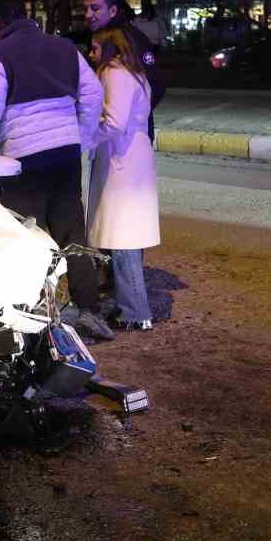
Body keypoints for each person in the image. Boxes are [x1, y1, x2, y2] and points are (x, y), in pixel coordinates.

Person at [0, 3, 114, 341]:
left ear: (0, 22)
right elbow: (93, 93)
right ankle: (89, 309)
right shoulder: (65, 48)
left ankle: (28, 313)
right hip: (64, 153)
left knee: (24, 234)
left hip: (23, 158)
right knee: (71, 231)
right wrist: (79, 136)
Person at [86, 28, 160, 331]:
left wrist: (86, 137)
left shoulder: (114, 73)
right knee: (124, 236)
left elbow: (114, 121)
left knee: (123, 238)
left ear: (108, 48)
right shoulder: (135, 73)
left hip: (122, 159)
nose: (91, 54)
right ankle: (128, 305)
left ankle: (134, 312)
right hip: (133, 157)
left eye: (94, 48)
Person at [83, 0, 165, 134]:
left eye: (95, 8)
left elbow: (155, 84)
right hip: (109, 136)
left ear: (113, 11)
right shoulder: (97, 38)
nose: (88, 14)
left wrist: (134, 119)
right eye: (86, 9)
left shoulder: (132, 40)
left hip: (129, 138)